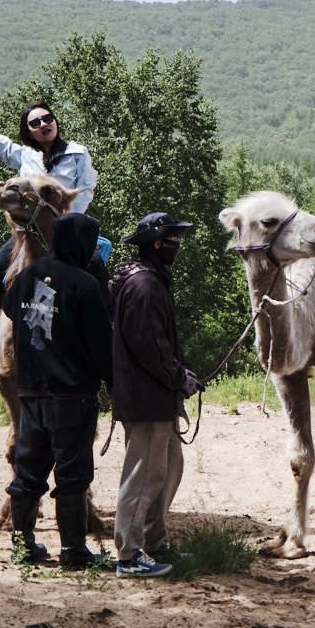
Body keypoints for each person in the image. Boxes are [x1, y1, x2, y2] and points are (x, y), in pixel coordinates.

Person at [0, 102, 101, 360]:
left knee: (96, 266)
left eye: (47, 118)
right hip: (28, 233)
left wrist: (66, 221)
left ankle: (109, 324)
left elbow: (85, 190)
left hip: (68, 233)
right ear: (29, 131)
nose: (44, 124)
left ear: (55, 121)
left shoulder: (78, 154)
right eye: (35, 123)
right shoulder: (25, 155)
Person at [4, 211, 114, 570]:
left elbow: (8, 308)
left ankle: (23, 545)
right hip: (71, 394)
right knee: (72, 472)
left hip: (30, 391)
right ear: (81, 243)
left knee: (29, 470)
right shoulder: (85, 284)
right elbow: (101, 343)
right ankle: (73, 551)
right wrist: (113, 382)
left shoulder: (26, 277)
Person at [111, 212, 202, 580]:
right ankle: (129, 555)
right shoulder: (145, 286)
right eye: (171, 240)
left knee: (167, 468)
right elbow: (150, 347)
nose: (176, 246)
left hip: (155, 395)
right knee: (144, 474)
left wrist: (179, 377)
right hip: (146, 397)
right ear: (155, 244)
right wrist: (179, 377)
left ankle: (153, 540)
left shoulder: (147, 280)